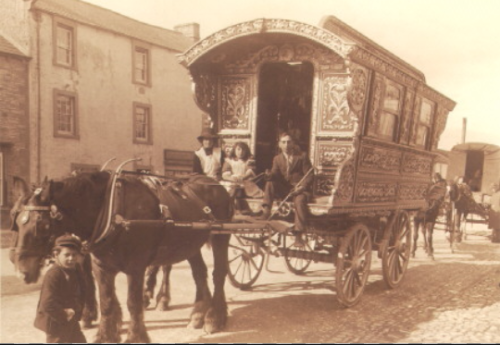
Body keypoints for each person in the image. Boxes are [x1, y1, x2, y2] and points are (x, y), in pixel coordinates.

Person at [34, 234, 87, 343]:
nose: (71, 258)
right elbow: (47, 303)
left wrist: (77, 310)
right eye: (66, 255)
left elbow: (83, 290)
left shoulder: (76, 269)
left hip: (71, 318)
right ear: (56, 255)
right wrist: (65, 314)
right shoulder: (53, 274)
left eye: (74, 255)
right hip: (55, 320)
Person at [258, 132, 314, 231]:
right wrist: (269, 175)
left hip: (299, 190)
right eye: (283, 142)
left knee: (300, 201)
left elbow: (309, 175)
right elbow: (275, 174)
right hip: (285, 190)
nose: (286, 145)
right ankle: (266, 211)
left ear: (293, 143)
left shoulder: (302, 157)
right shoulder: (277, 159)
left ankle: (298, 232)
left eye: (289, 142)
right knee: (270, 183)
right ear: (279, 144)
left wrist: (301, 188)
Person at [222, 142, 263, 214]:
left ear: (246, 151)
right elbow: (225, 174)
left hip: (245, 181)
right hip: (233, 181)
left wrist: (243, 177)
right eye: (238, 149)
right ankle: (233, 207)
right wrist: (232, 179)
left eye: (243, 150)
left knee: (241, 188)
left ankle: (242, 208)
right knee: (233, 188)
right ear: (234, 150)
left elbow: (250, 171)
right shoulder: (229, 160)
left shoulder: (249, 160)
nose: (240, 152)